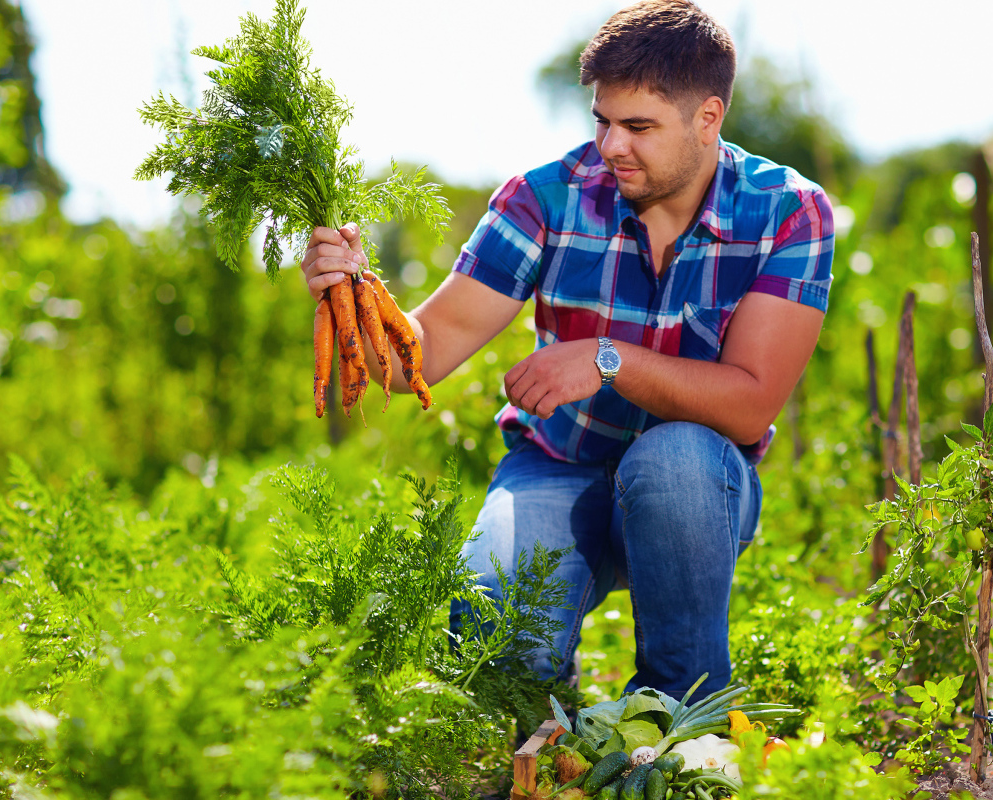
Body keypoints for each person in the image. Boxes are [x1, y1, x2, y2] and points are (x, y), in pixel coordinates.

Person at [298, 0, 833, 699]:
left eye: (638, 127)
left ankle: (679, 710)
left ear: (708, 118)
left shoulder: (788, 211)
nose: (612, 146)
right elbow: (416, 359)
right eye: (602, 121)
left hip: (695, 489)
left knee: (674, 459)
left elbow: (750, 404)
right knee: (496, 658)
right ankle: (546, 694)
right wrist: (352, 293)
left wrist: (608, 359)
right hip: (556, 465)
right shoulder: (544, 199)